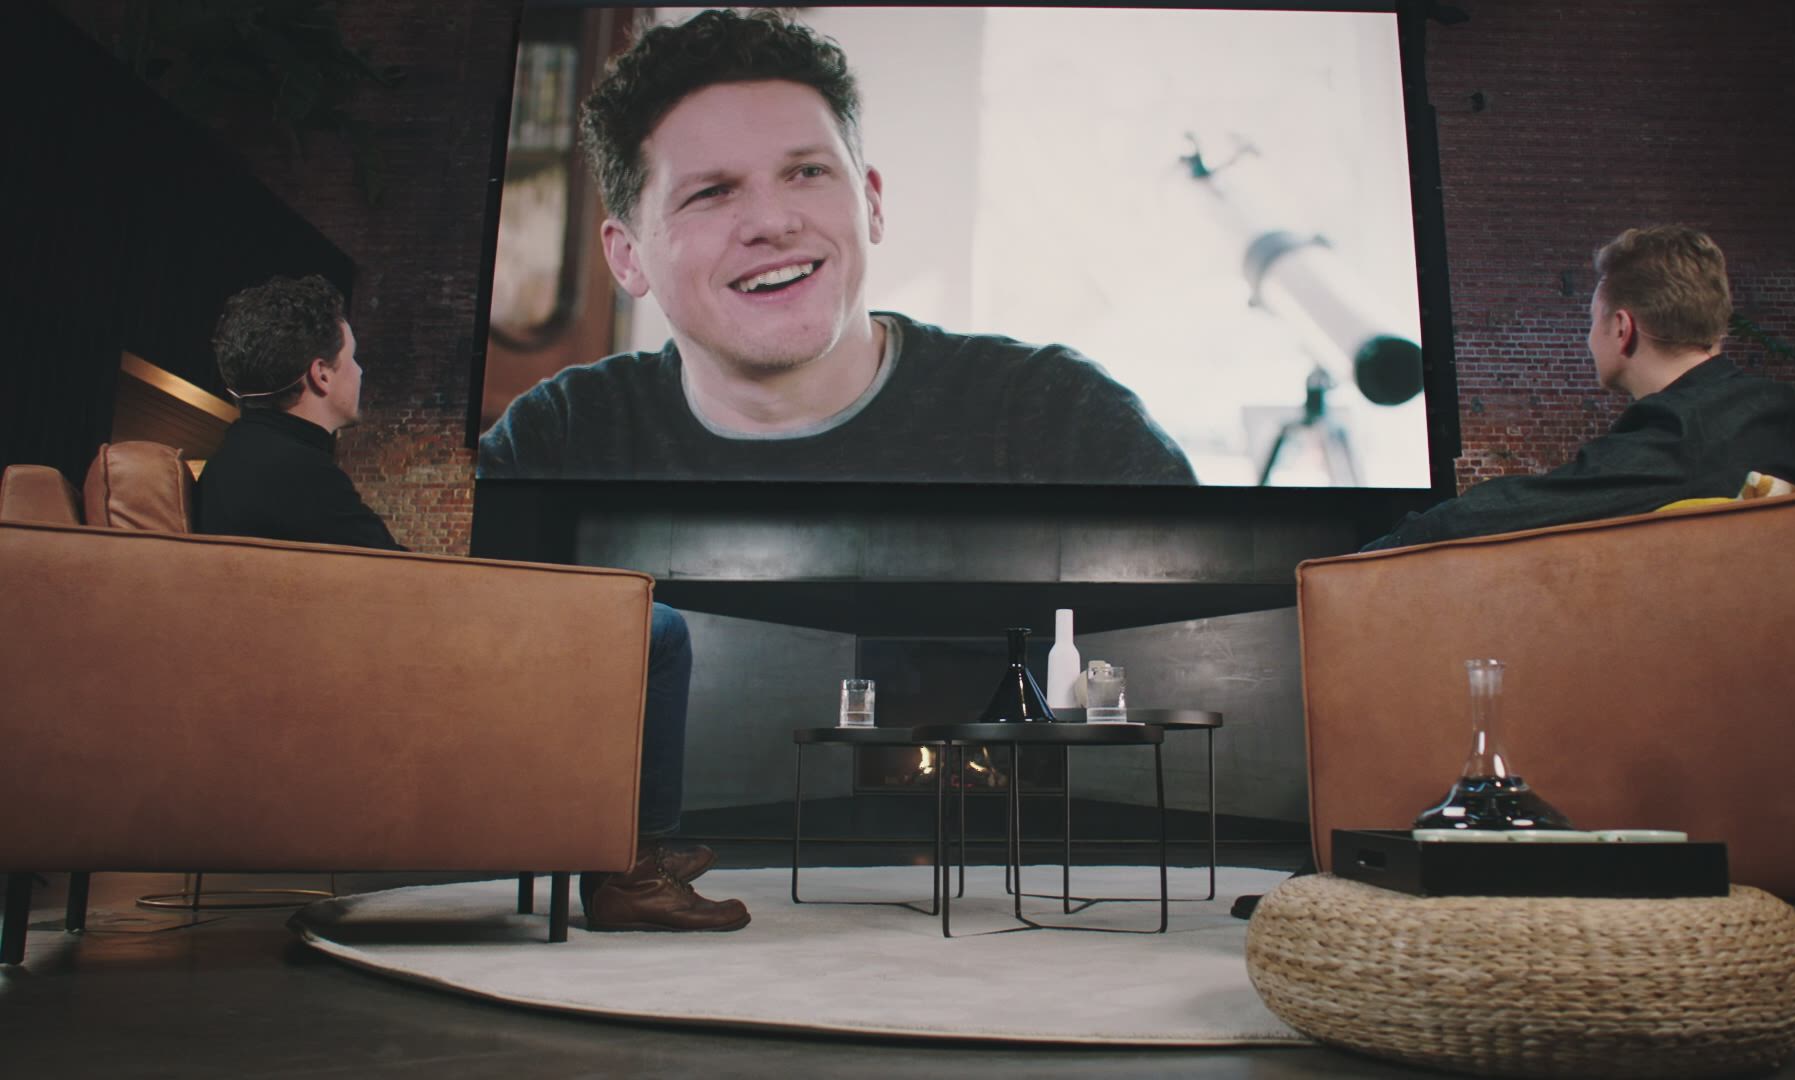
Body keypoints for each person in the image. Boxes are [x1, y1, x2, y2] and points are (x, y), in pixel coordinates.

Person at [198, 275, 747, 932]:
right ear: (320, 374)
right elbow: (409, 598)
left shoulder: (248, 463)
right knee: (658, 629)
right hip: (406, 687)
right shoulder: (292, 475)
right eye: (353, 357)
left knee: (633, 623)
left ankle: (630, 852)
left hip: (379, 672)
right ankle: (638, 868)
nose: (360, 372)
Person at [478, 8, 1195, 485]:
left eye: (808, 173)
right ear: (627, 255)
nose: (773, 221)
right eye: (712, 192)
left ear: (871, 201)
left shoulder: (1060, 420)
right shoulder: (557, 440)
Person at [1361, 225, 1795, 551]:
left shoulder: (1686, 434)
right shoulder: (1781, 412)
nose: (1588, 338)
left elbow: (1521, 509)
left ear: (1622, 328)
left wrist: (1384, 548)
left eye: (1591, 321)